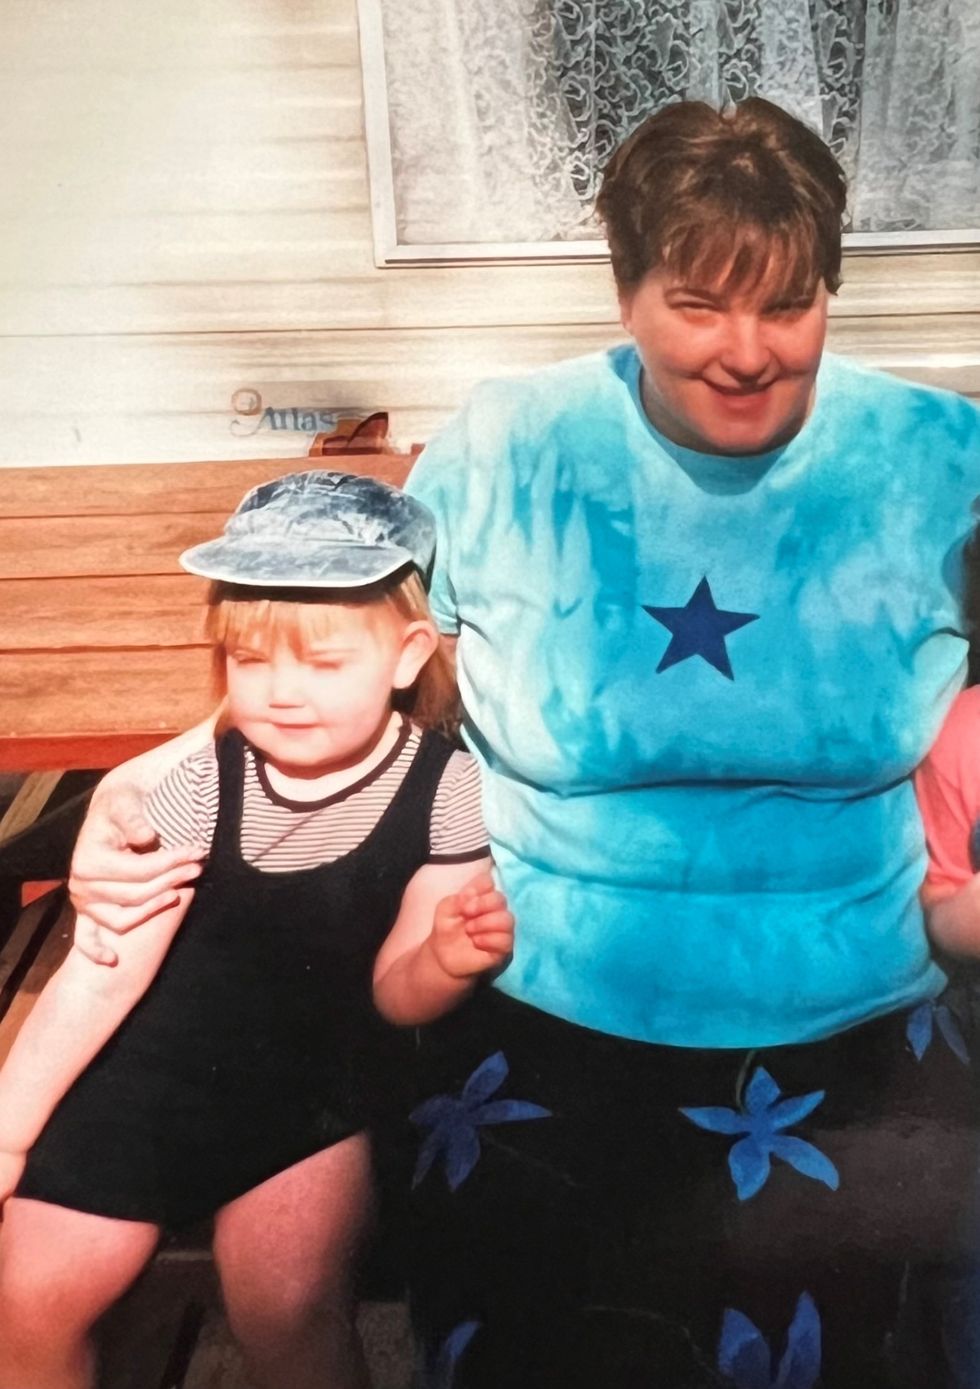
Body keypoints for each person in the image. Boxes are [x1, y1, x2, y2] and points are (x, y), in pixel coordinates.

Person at [68, 99, 980, 1389]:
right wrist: (146, 782)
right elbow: (335, 656)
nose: (745, 352)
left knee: (871, 1315)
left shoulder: (935, 463)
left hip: (859, 995)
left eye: (786, 306)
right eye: (697, 306)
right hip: (539, 987)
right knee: (547, 1322)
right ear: (625, 296)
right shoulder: (510, 447)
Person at [0, 471, 513, 1389]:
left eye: (323, 663)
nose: (281, 693)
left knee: (287, 1302)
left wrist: (445, 957)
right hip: (151, 1076)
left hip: (312, 1094)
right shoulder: (203, 780)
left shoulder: (447, 789)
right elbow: (104, 968)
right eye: (252, 661)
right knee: (33, 1291)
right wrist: (9, 1127)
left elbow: (396, 990)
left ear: (405, 655)